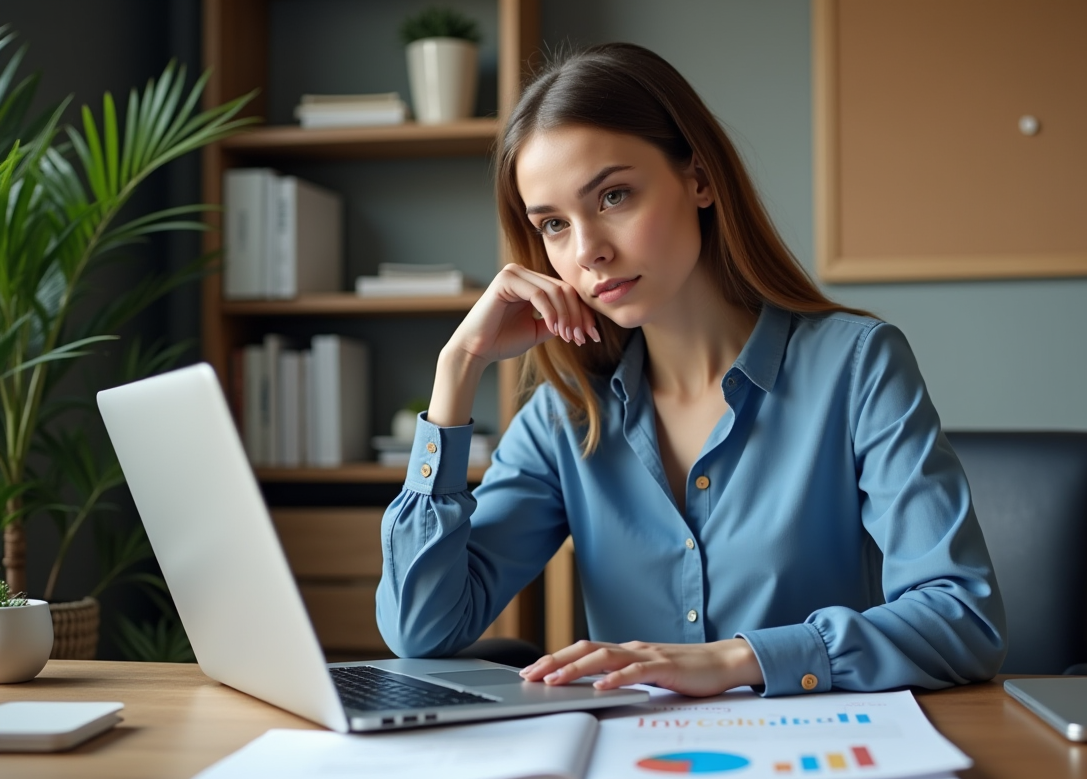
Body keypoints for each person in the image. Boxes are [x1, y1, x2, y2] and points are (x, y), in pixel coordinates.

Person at [375, 43, 1006, 698]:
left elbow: (961, 617)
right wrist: (458, 368)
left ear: (699, 179)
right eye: (555, 225)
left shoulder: (857, 365)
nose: (588, 250)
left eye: (614, 196)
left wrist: (739, 660)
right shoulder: (565, 417)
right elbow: (421, 629)